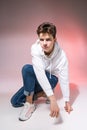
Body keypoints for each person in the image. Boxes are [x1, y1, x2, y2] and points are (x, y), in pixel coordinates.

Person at [11, 22, 73, 121]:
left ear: (54, 39)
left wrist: (67, 101)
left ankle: (29, 104)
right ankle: (42, 94)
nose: (44, 43)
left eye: (48, 39)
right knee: (15, 101)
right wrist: (52, 99)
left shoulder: (62, 56)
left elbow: (64, 79)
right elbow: (39, 74)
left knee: (27, 69)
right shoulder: (35, 48)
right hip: (38, 78)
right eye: (41, 39)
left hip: (51, 80)